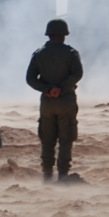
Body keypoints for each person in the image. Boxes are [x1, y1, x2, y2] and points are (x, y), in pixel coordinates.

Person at [26, 18, 83, 182]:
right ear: (64, 34)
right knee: (66, 140)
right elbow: (77, 74)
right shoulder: (71, 53)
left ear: (49, 34)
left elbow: (30, 78)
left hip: (47, 103)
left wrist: (48, 90)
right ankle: (63, 176)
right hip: (66, 101)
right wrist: (62, 88)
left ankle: (46, 175)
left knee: (47, 140)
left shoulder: (39, 54)